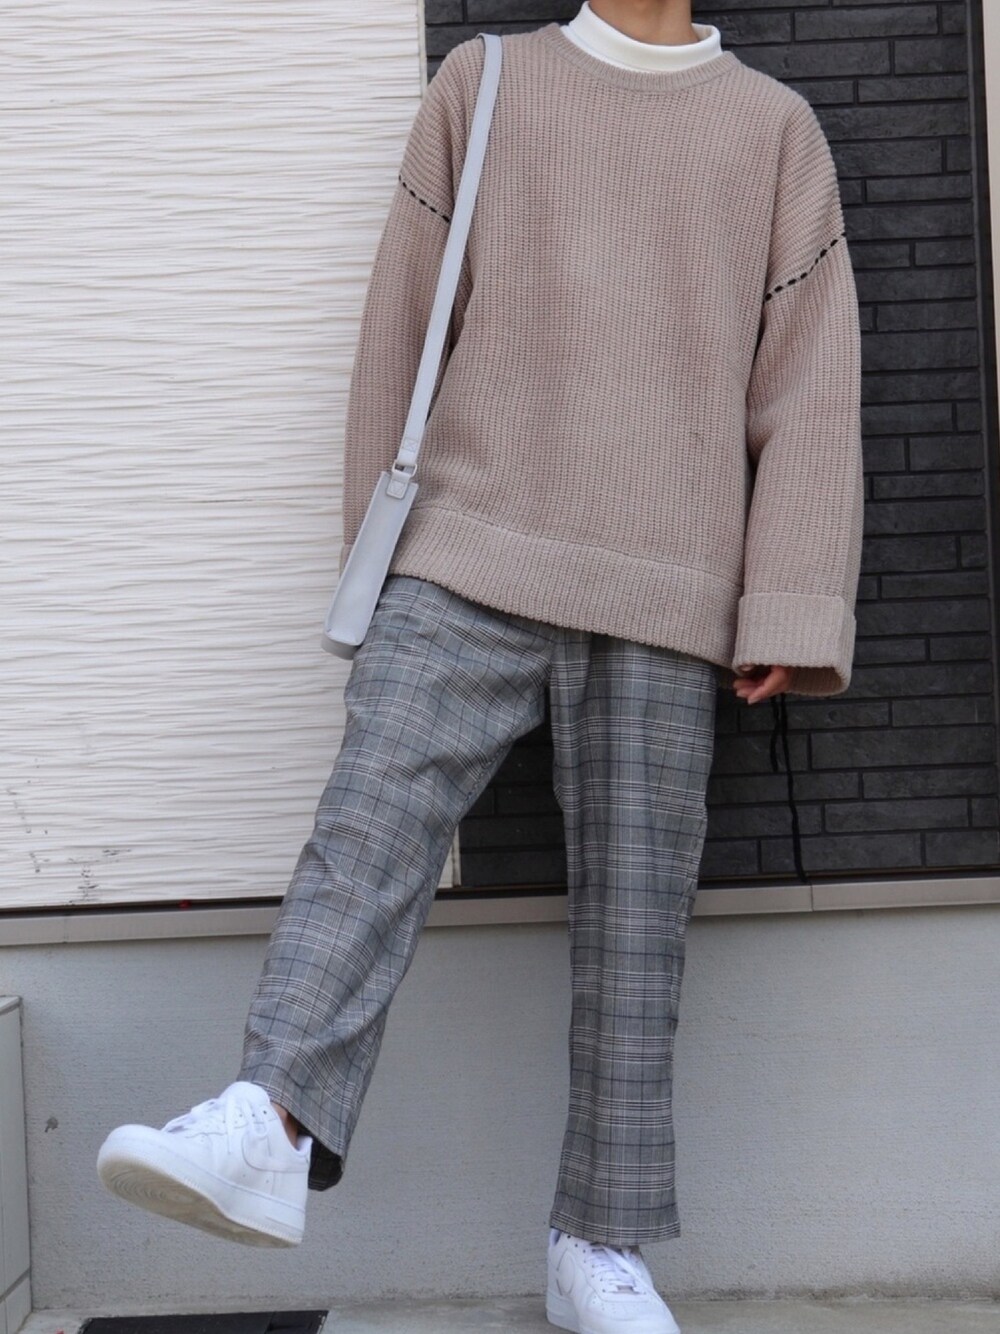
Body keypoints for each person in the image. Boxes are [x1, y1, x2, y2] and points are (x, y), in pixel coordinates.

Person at [96, 3, 864, 1332]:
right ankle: (270, 1121)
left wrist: (788, 602)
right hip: (466, 545)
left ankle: (597, 1246)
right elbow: (400, 325)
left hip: (671, 574)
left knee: (637, 925)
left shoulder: (773, 129)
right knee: (369, 821)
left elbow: (808, 386)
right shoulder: (488, 80)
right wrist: (375, 555)